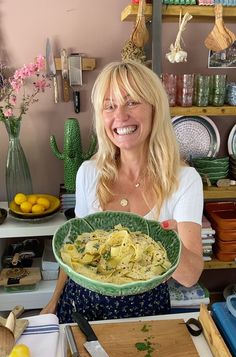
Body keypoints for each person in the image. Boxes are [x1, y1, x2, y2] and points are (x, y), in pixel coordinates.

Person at [41, 60, 204, 323]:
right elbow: (74, 249)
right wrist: (53, 300)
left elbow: (189, 276)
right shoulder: (88, 173)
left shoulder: (185, 180)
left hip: (146, 310)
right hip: (81, 303)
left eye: (132, 102)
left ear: (154, 109)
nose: (120, 115)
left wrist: (170, 244)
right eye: (109, 106)